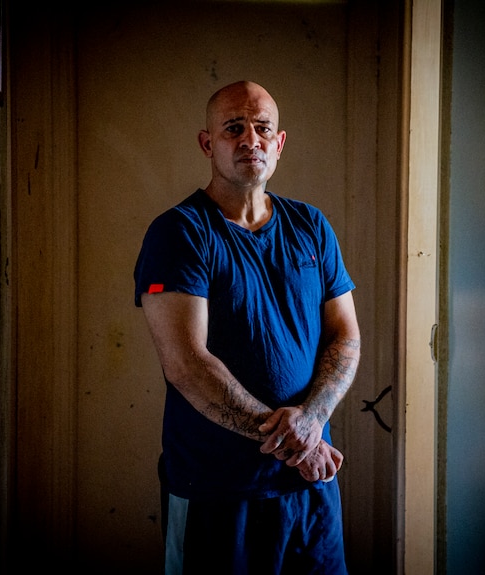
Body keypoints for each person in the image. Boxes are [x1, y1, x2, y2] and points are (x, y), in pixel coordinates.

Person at [134, 80, 361, 574]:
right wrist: (296, 442)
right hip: (218, 489)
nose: (250, 140)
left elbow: (345, 336)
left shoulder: (311, 226)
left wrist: (311, 420)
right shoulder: (179, 233)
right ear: (207, 143)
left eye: (263, 129)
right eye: (233, 128)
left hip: (310, 488)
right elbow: (187, 365)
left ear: (278, 144)